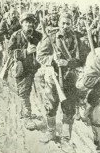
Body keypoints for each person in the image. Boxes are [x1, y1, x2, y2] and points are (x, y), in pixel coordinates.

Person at [36, 12, 83, 153]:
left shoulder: (77, 40)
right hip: (53, 78)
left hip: (70, 79)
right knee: (50, 106)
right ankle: (50, 131)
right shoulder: (51, 38)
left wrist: (68, 62)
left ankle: (65, 139)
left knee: (69, 109)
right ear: (59, 23)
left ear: (72, 24)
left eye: (68, 23)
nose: (65, 26)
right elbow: (40, 56)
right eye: (63, 23)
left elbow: (82, 60)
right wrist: (52, 59)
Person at [7, 13, 43, 130]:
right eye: (26, 22)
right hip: (21, 68)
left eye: (31, 22)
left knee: (29, 90)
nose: (29, 24)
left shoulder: (39, 35)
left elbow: (45, 49)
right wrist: (25, 52)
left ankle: (24, 112)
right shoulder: (15, 36)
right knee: (23, 92)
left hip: (34, 68)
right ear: (21, 23)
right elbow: (10, 53)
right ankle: (28, 118)